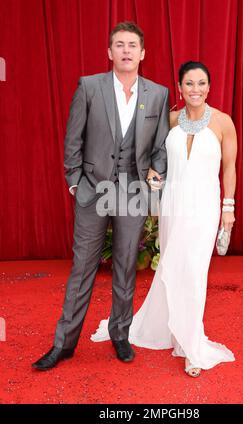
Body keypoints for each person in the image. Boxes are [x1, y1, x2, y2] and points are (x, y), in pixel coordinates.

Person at [32, 22, 169, 371]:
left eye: (132, 45)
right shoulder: (89, 87)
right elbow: (72, 137)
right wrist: (75, 181)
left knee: (125, 267)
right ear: (109, 52)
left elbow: (160, 146)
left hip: (133, 192)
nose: (126, 50)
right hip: (93, 191)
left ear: (142, 53)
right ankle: (63, 344)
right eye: (119, 44)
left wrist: (157, 173)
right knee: (82, 269)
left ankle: (120, 334)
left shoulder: (158, 94)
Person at [91, 61, 237, 377]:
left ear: (209, 87)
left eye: (201, 83)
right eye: (189, 84)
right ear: (180, 88)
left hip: (204, 206)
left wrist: (229, 208)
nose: (195, 89)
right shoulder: (169, 120)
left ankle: (190, 346)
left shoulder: (223, 123)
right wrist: (152, 179)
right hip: (172, 203)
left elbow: (229, 169)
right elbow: (151, 159)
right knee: (173, 266)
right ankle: (171, 329)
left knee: (195, 271)